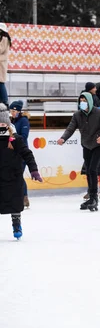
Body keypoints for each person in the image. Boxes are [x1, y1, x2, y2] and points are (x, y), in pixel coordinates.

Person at [58, 92, 100, 211]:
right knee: (88, 171)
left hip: (98, 145)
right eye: (80, 101)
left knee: (93, 169)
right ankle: (91, 196)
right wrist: (63, 138)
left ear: (89, 101)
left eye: (84, 100)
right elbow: (71, 128)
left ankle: (94, 198)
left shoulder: (99, 113)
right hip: (87, 145)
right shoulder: (77, 115)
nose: (82, 103)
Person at [0, 104, 43, 239]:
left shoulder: (15, 139)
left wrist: (34, 170)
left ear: (7, 124)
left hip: (13, 176)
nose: (1, 125)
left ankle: (16, 224)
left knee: (15, 202)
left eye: (3, 123)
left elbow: (27, 154)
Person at [9, 100, 31, 208]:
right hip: (12, 153)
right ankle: (20, 196)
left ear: (18, 111)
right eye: (11, 110)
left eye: (14, 110)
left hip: (22, 153)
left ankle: (24, 197)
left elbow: (24, 136)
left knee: (18, 175)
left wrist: (12, 136)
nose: (12, 112)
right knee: (15, 175)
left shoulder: (23, 121)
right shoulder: (10, 120)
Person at [0, 23, 11, 106]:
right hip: (1, 63)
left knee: (0, 83)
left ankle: (4, 101)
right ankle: (3, 101)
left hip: (1, 64)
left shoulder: (4, 38)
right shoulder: (5, 38)